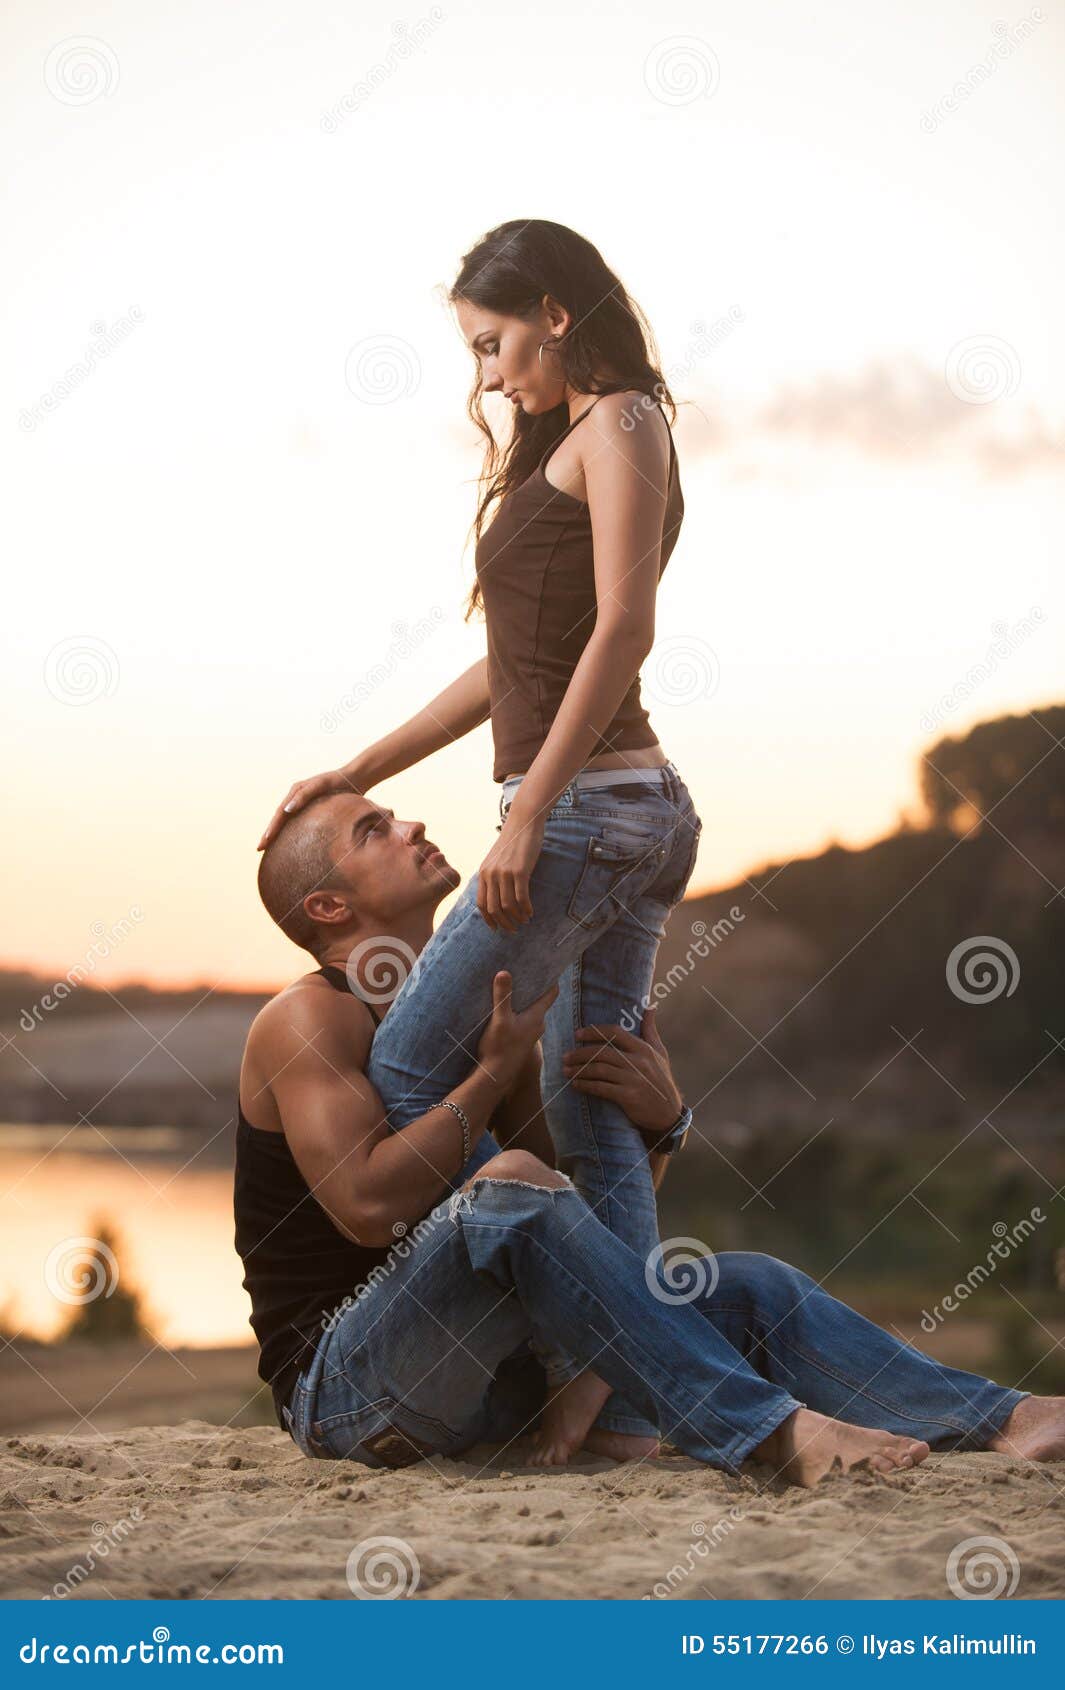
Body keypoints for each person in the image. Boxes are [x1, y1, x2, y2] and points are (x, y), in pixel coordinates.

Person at [236, 789, 1065, 1486]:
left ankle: (1007, 1418)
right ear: (328, 907)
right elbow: (365, 1207)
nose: (411, 824)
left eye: (393, 815)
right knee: (509, 1186)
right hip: (350, 1395)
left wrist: (662, 1123)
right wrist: (491, 1074)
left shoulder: (481, 1016)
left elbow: (577, 1231)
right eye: (373, 830)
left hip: (490, 1381)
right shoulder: (308, 1018)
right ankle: (774, 1432)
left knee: (750, 1287)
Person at [258, 219, 704, 1459]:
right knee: (594, 1109)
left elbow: (625, 628)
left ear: (556, 311)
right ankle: (625, 1405)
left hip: (591, 809)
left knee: (408, 1067)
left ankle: (574, 1351)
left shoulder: (622, 422)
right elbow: (506, 667)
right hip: (618, 809)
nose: (489, 375)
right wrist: (359, 767)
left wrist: (527, 811)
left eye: (492, 342)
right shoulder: (566, 441)